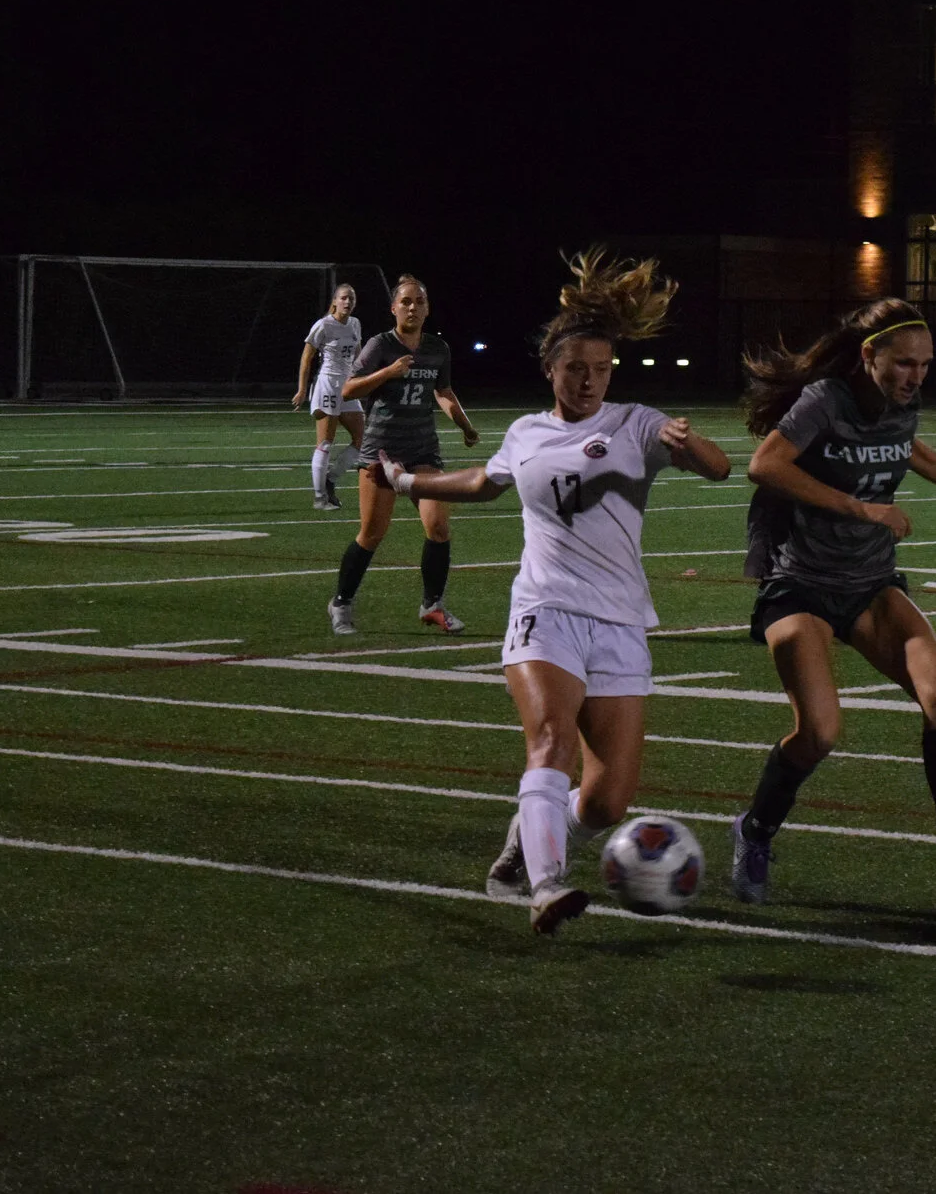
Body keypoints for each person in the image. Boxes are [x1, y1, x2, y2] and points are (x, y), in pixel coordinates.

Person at [381, 251, 729, 933]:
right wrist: (409, 482)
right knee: (550, 742)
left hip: (620, 620)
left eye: (601, 368)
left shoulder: (635, 422)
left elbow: (719, 469)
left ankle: (530, 836)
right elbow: (484, 482)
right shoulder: (526, 432)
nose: (589, 379)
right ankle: (546, 885)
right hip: (545, 609)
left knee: (606, 802)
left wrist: (686, 441)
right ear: (551, 369)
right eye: (576, 368)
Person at [727, 297, 936, 906]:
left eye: (925, 364)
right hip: (800, 584)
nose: (915, 376)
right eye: (904, 363)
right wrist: (860, 508)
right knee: (819, 733)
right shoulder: (825, 400)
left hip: (870, 582)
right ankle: (754, 830)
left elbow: (908, 446)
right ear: (870, 354)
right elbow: (765, 465)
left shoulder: (901, 404)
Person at [327, 274, 480, 637]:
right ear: (394, 308)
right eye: (406, 302)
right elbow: (349, 389)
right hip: (382, 452)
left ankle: (433, 605)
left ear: (427, 309)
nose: (412, 307)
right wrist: (389, 372)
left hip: (423, 450)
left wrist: (465, 426)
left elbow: (443, 391)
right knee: (372, 533)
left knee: (438, 527)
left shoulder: (437, 349)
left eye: (419, 302)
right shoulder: (380, 345)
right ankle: (341, 602)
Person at [294, 282, 366, 510]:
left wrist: (364, 380)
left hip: (347, 386)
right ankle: (319, 498)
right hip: (328, 385)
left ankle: (330, 480)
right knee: (326, 441)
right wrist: (302, 389)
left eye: (351, 298)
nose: (348, 302)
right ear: (335, 301)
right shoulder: (323, 325)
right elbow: (306, 357)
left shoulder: (355, 324)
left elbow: (358, 357)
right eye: (343, 298)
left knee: (362, 439)